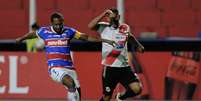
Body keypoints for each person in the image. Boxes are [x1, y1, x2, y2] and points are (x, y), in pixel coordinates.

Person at [16, 12, 114, 101]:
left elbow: (86, 37)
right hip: (55, 68)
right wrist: (21, 38)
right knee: (70, 83)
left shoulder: (69, 31)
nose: (58, 27)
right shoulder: (44, 31)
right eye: (56, 24)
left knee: (77, 94)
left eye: (60, 24)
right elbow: (32, 34)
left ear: (63, 22)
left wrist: (104, 40)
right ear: (51, 23)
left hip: (70, 68)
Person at [88, 8, 144, 101]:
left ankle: (120, 97)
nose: (110, 19)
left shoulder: (124, 27)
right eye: (109, 17)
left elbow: (129, 36)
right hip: (110, 68)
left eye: (113, 17)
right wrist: (103, 14)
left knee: (137, 89)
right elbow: (90, 26)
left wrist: (138, 45)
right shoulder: (103, 27)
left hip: (124, 68)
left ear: (118, 17)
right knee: (107, 97)